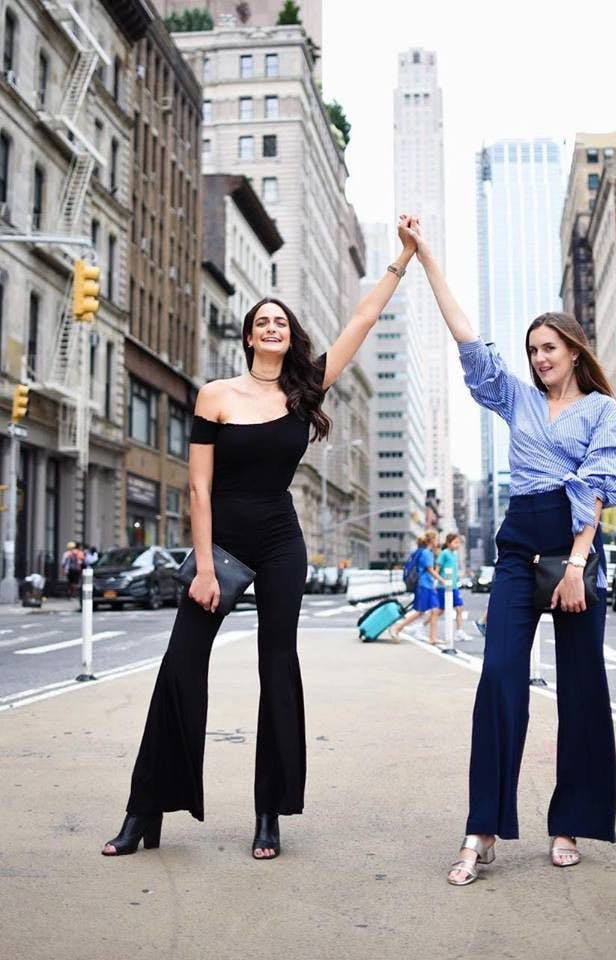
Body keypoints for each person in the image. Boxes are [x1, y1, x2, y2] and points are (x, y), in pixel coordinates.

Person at [102, 216, 418, 860]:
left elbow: (360, 323)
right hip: (221, 545)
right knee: (180, 666)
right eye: (262, 321)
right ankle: (144, 811)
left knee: (278, 668)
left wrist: (401, 261)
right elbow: (197, 488)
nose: (272, 328)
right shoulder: (215, 395)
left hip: (280, 542)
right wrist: (204, 568)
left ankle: (268, 815)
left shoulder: (305, 391)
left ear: (289, 336)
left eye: (281, 321)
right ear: (248, 336)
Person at [400, 216, 616, 884]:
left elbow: (598, 490)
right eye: (532, 349)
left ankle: (570, 823)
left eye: (550, 348)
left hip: (575, 550)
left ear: (575, 351)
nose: (539, 358)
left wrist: (579, 565)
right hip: (517, 549)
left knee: (582, 689)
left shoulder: (599, 413)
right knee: (499, 678)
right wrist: (428, 259)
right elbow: (468, 340)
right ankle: (483, 828)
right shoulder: (518, 402)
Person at [390, 530, 445, 644]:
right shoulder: (426, 553)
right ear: (432, 540)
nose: (438, 542)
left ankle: (432, 638)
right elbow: (430, 570)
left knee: (435, 610)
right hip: (424, 585)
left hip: (428, 586)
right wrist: (442, 580)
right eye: (436, 539)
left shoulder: (427, 552)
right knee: (420, 611)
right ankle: (397, 628)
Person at [437, 533, 472, 641]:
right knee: (440, 610)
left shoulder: (455, 554)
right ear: (448, 543)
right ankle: (421, 625)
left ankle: (459, 631)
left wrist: (456, 581)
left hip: (454, 587)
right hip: (443, 587)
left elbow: (455, 571)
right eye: (455, 542)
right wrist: (440, 581)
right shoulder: (444, 554)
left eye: (458, 543)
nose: (457, 545)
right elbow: (437, 569)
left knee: (459, 608)